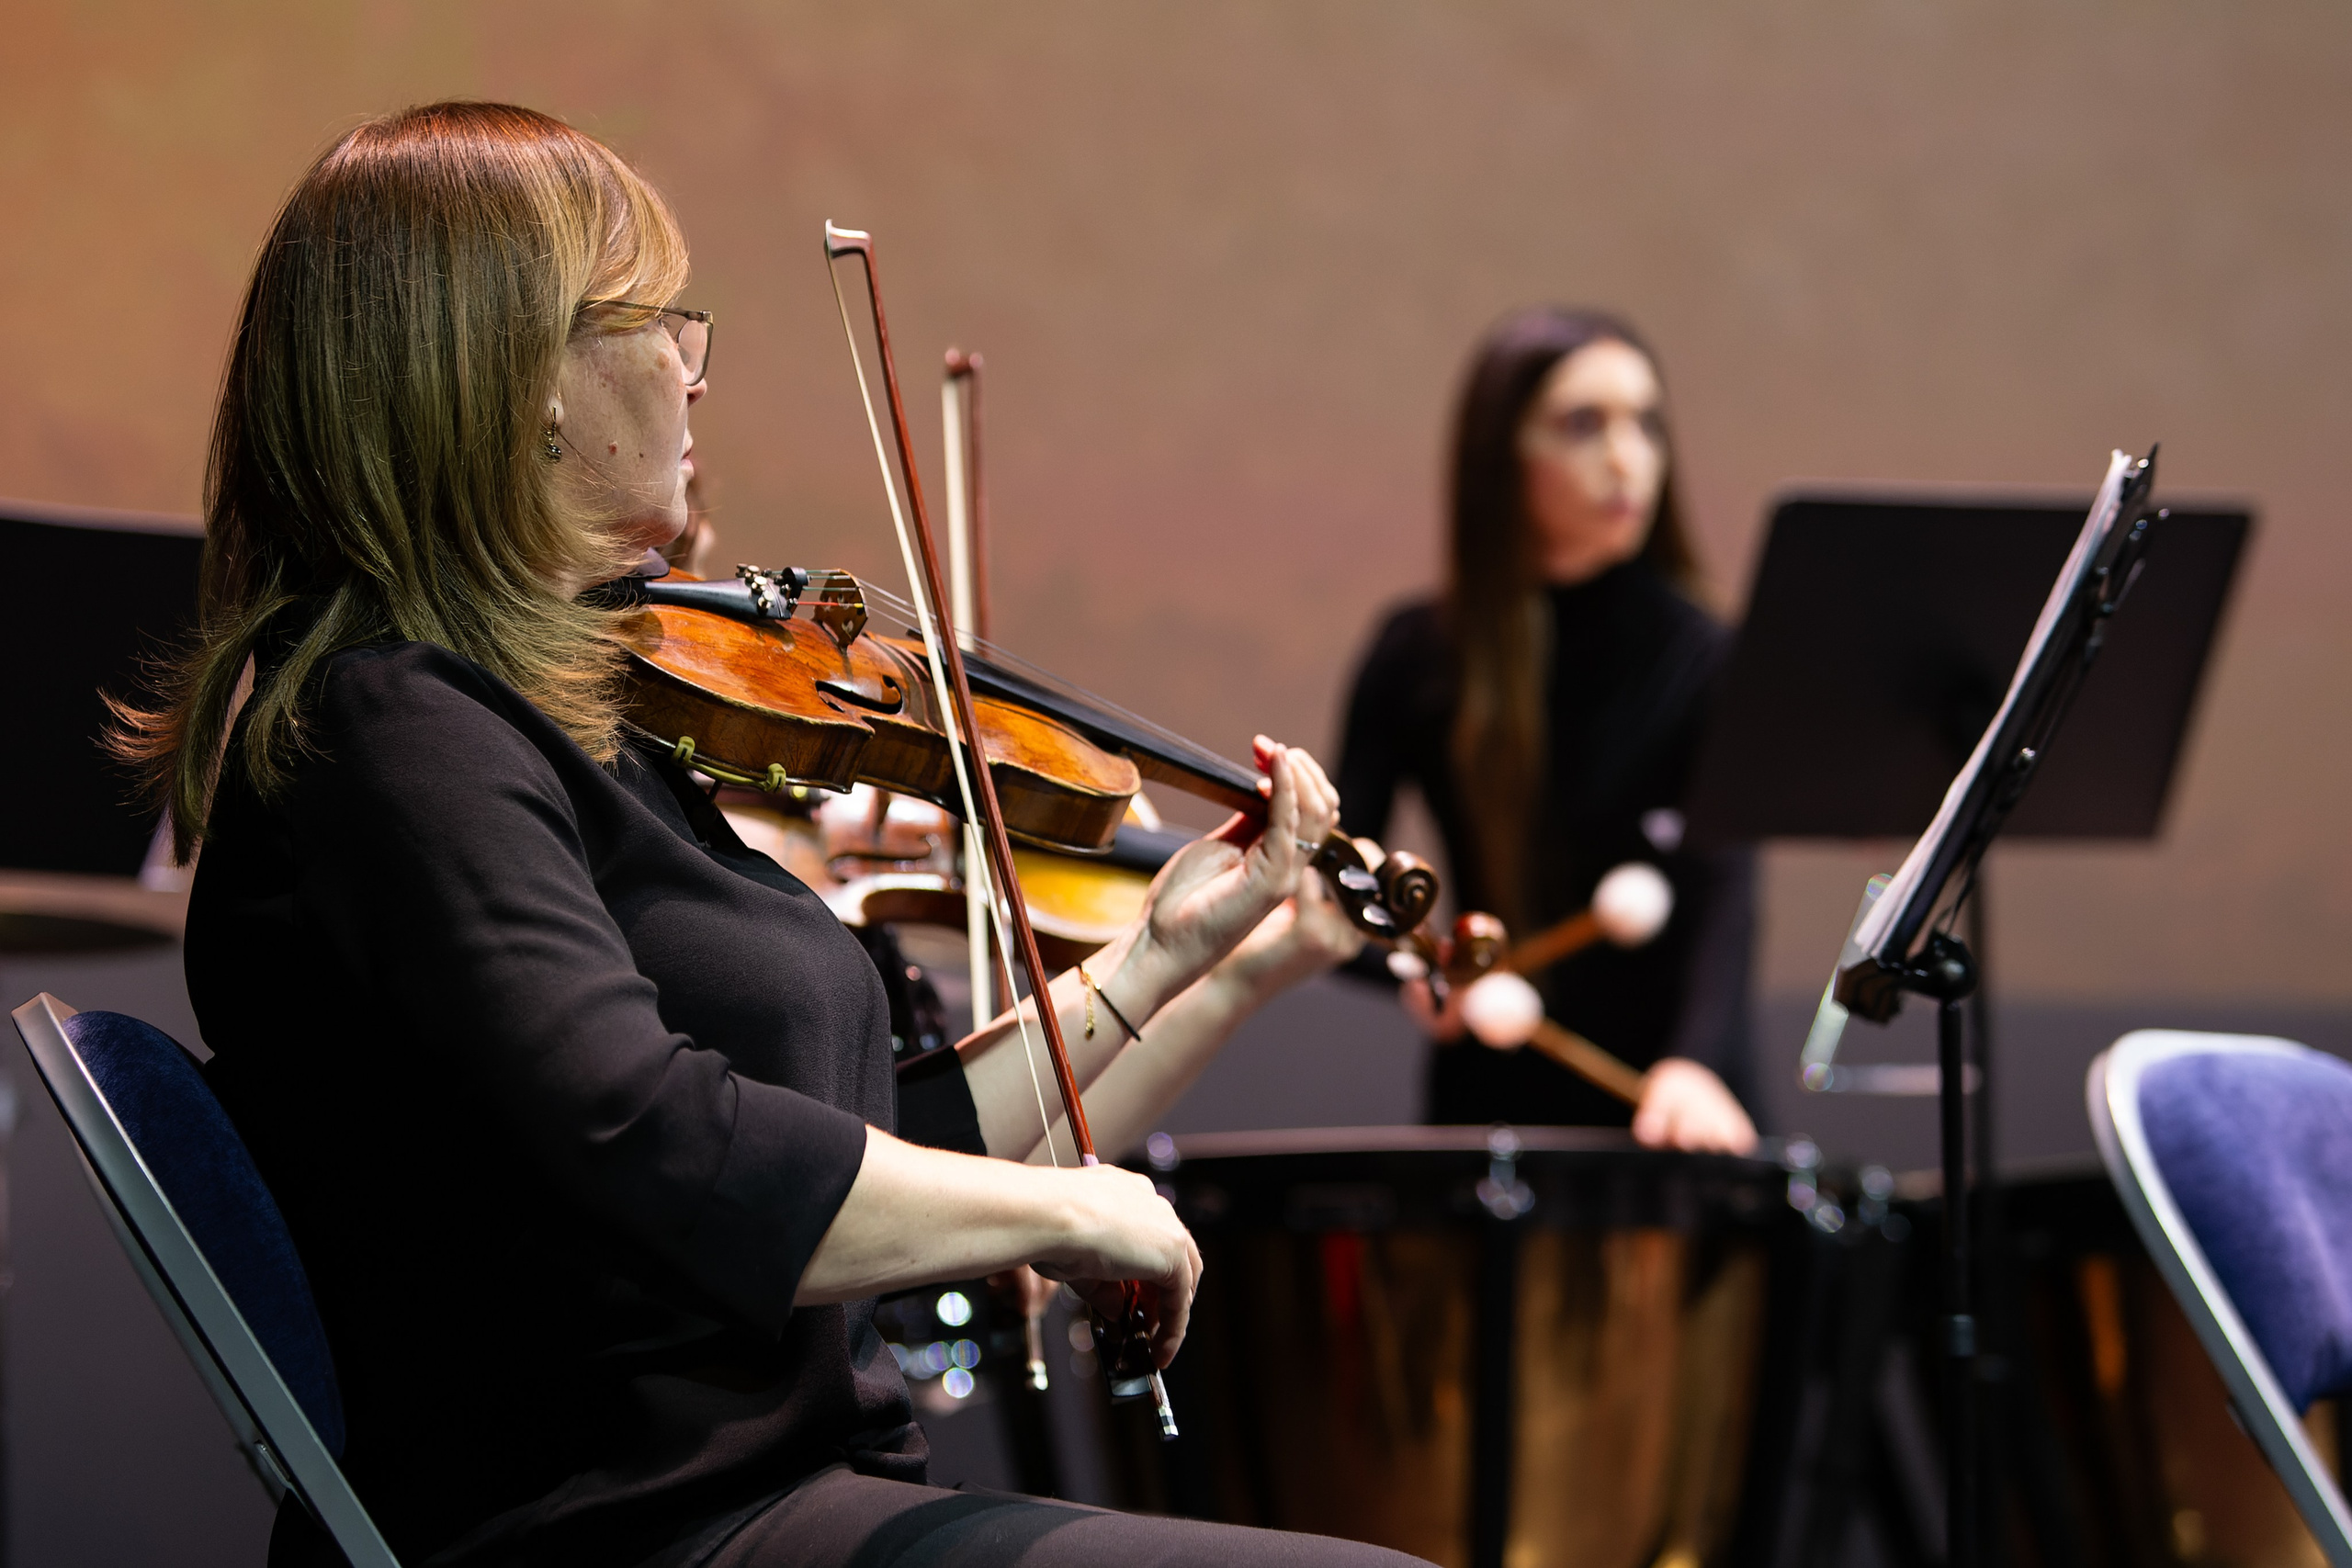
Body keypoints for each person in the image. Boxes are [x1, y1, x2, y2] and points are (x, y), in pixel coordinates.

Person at [116, 103, 1408, 1568]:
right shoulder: (395, 737)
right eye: (662, 322)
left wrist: (1166, 949)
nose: (691, 369)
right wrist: (1073, 1210)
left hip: (770, 1502)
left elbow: (863, 1147)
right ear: (524, 378)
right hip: (625, 1529)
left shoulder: (559, 724)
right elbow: (668, 1153)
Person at [1334, 308, 1758, 1155]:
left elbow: (1724, 894)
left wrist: (1693, 1062)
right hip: (1492, 1100)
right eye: (1581, 425)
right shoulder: (1417, 655)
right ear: (1502, 457)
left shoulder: (1706, 656)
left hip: (1676, 1106)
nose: (1625, 456)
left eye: (1646, 423)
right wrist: (1412, 968)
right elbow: (1336, 886)